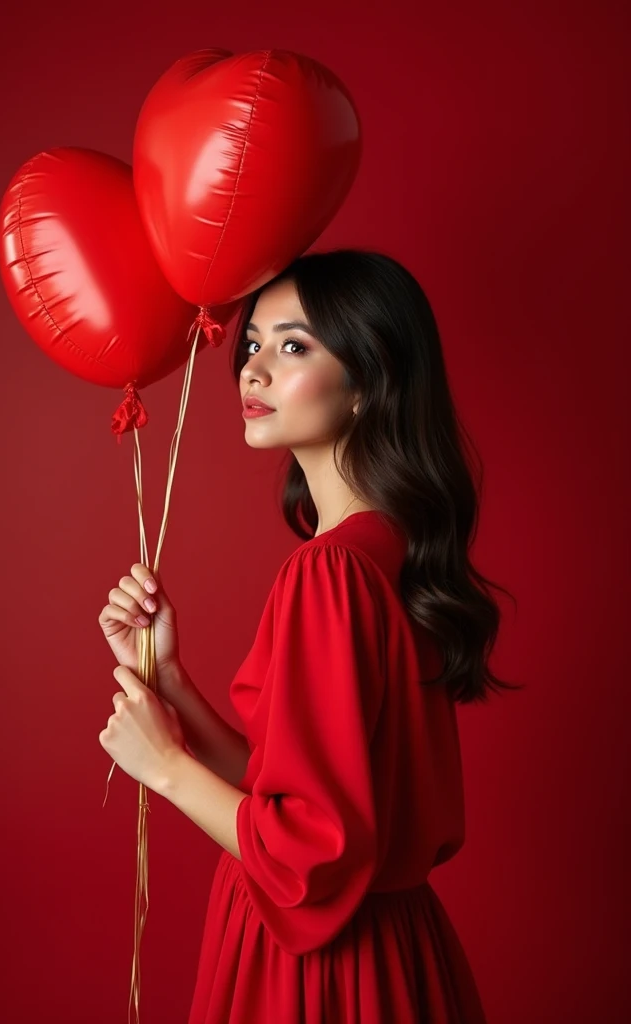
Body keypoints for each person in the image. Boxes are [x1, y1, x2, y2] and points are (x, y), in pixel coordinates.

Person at [98, 249, 521, 1022]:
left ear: (367, 381)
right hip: (401, 955)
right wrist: (170, 683)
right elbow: (298, 786)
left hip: (317, 971)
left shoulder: (328, 573)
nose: (253, 370)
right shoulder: (386, 551)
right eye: (253, 343)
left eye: (294, 346)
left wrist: (163, 768)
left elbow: (305, 856)